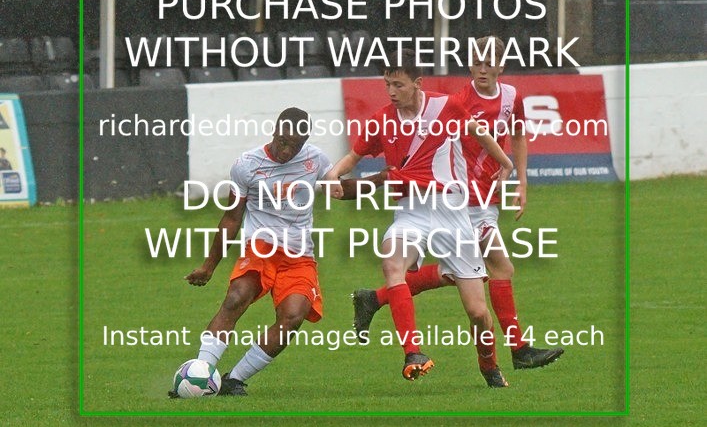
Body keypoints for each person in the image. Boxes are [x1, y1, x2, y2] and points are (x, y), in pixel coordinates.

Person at [351, 36, 564, 371]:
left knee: (466, 274)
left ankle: (376, 298)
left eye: (487, 62)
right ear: (469, 65)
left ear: (500, 65)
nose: (481, 68)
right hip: (464, 202)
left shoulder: (511, 96)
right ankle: (519, 350)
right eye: (475, 62)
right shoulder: (459, 101)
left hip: (487, 197)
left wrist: (521, 180)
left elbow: (518, 135)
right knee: (500, 268)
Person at [328, 49, 515, 388]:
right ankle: (412, 352)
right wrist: (333, 177)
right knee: (391, 264)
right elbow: (352, 157)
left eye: (398, 85)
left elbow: (478, 131)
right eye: (387, 84)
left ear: (417, 84)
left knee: (477, 313)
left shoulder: (446, 107)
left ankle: (489, 366)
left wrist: (505, 162)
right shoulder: (382, 120)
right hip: (410, 212)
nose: (391, 92)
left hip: (452, 214)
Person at [170, 106, 342, 397]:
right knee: (236, 298)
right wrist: (209, 266)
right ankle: (200, 373)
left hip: (299, 256)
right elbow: (232, 217)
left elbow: (340, 190)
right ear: (275, 132)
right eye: (283, 142)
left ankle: (233, 380)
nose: (288, 151)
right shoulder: (247, 165)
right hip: (261, 246)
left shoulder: (315, 160)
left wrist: (379, 180)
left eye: (296, 145)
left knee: (293, 317)